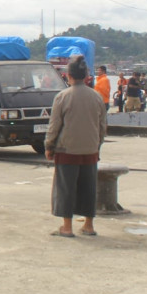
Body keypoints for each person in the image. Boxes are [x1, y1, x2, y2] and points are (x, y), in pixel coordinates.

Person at [45, 57, 107, 237]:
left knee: (66, 187)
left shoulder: (62, 97)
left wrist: (49, 146)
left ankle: (67, 227)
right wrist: (97, 145)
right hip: (90, 149)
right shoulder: (96, 97)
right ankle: (88, 225)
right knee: (88, 187)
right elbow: (102, 126)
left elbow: (54, 126)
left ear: (68, 75)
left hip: (67, 150)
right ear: (86, 76)